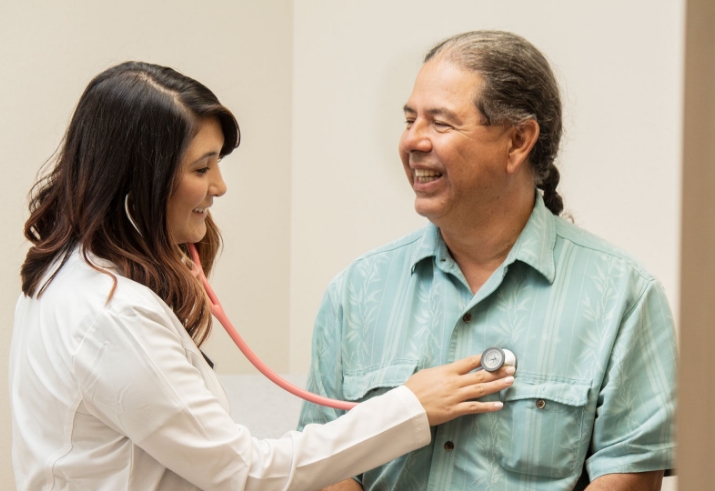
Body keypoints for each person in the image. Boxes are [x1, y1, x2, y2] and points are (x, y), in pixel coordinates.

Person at [8, 61, 517, 491]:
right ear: (142, 179)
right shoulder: (111, 315)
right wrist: (409, 407)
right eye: (202, 168)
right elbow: (243, 471)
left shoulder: (63, 274)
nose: (220, 186)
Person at [298, 31, 676, 491]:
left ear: (518, 141)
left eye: (440, 122)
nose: (412, 141)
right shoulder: (355, 292)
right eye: (410, 119)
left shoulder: (624, 296)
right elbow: (323, 466)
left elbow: (629, 475)